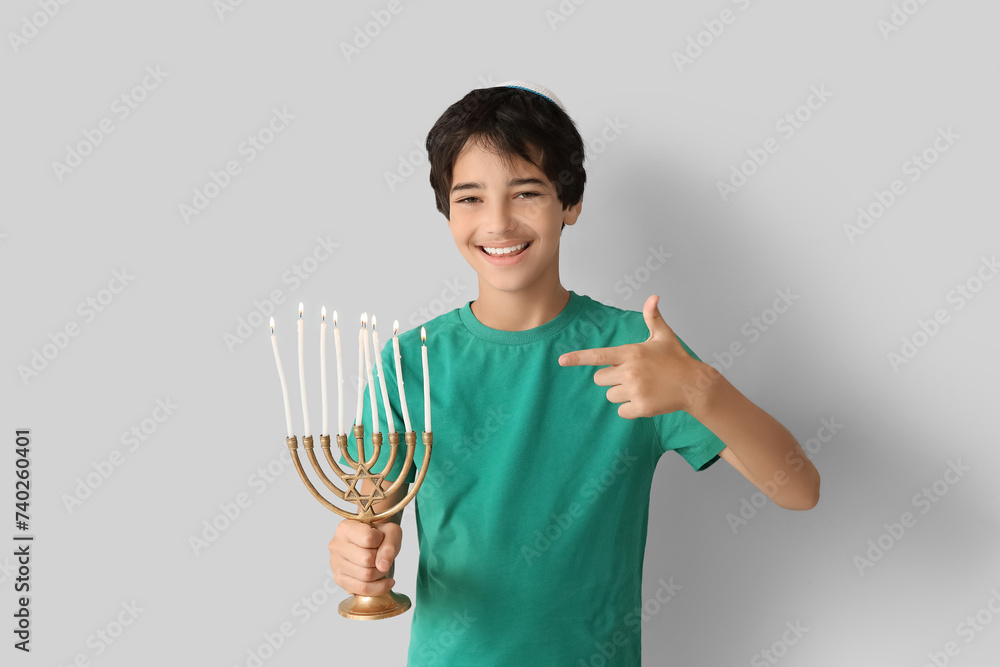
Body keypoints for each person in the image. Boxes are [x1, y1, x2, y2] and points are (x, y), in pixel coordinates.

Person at [329, 80, 821, 665]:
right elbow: (370, 520)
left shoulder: (639, 350)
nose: (499, 222)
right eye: (470, 198)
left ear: (571, 203)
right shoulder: (408, 363)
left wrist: (699, 387)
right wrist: (357, 557)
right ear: (446, 211)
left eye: (527, 192)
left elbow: (798, 488)